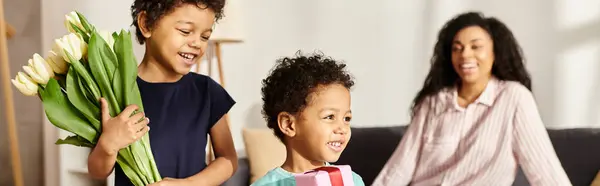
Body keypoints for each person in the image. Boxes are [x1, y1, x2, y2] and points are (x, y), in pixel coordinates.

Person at [373, 12, 571, 186]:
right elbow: (399, 168)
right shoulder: (433, 102)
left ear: (495, 53)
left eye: (476, 47)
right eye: (457, 48)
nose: (465, 55)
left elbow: (545, 171)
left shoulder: (514, 98)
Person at [86, 0, 238, 185]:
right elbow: (97, 171)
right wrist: (109, 144)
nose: (197, 43)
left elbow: (229, 160)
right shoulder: (117, 92)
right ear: (146, 24)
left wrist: (188, 184)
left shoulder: (207, 91)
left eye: (205, 36)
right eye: (185, 31)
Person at [250, 51, 365, 186]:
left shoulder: (352, 181)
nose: (342, 129)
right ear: (289, 124)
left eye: (346, 118)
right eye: (330, 117)